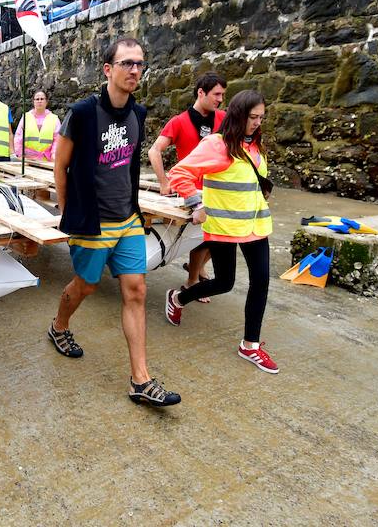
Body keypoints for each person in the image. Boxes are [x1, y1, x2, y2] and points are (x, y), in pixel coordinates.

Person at [51, 37, 181, 407]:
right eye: (126, 63)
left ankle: (140, 380)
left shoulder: (138, 114)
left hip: (127, 219)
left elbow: (126, 167)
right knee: (86, 286)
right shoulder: (82, 113)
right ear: (108, 69)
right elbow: (61, 167)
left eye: (139, 63)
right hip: (92, 222)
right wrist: (68, 214)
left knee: (136, 290)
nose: (135, 70)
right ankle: (59, 325)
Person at [166, 90, 278, 373]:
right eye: (252, 117)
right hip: (224, 226)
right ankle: (178, 298)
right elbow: (179, 173)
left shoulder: (255, 145)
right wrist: (196, 203)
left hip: (256, 226)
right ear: (238, 115)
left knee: (261, 281)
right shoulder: (217, 145)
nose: (257, 123)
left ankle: (250, 345)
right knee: (224, 283)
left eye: (261, 118)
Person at [149, 72, 227, 301]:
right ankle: (192, 281)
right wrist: (164, 182)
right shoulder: (179, 121)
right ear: (201, 92)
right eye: (216, 94)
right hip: (191, 191)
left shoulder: (223, 118)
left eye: (223, 94)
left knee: (222, 236)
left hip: (218, 189)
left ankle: (198, 268)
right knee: (201, 235)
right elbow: (154, 151)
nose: (220, 99)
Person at [14, 90, 60, 161]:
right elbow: (18, 138)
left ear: (46, 102)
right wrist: (20, 154)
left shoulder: (54, 119)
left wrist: (54, 154)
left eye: (42, 99)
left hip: (47, 160)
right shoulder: (26, 117)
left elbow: (57, 140)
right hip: (28, 160)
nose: (39, 101)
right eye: (37, 99)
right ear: (33, 102)